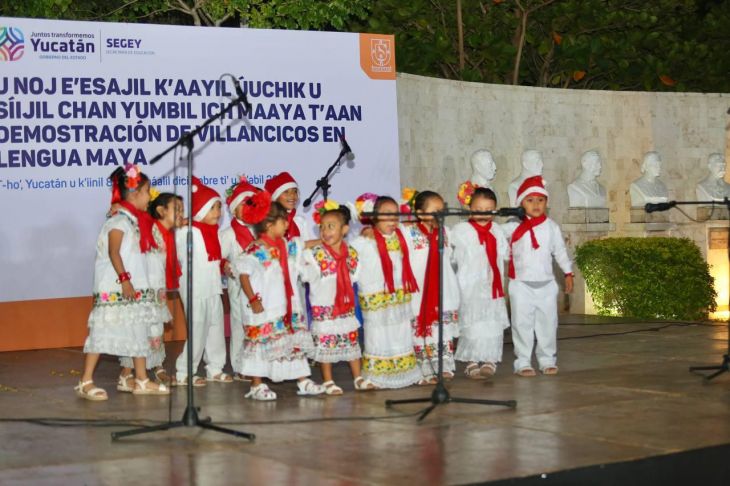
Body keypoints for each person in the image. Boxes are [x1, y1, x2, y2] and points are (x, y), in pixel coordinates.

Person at [76, 165, 170, 400]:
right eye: (147, 191)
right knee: (102, 331)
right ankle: (85, 381)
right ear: (135, 194)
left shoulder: (134, 220)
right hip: (116, 287)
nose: (150, 196)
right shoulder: (118, 221)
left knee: (138, 331)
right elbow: (113, 251)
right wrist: (125, 280)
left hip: (134, 289)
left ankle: (140, 379)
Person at [236, 196, 325, 400]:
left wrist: (324, 240)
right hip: (264, 306)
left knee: (291, 342)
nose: (287, 224)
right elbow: (243, 275)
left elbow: (304, 245)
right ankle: (256, 385)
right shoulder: (256, 250)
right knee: (261, 344)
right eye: (283, 221)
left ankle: (302, 380)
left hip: (286, 305)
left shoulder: (286, 245)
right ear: (268, 225)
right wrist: (253, 299)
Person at [300, 201, 375, 394]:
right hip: (325, 308)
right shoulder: (315, 254)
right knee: (326, 346)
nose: (325, 231)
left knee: (351, 342)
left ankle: (358, 378)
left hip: (345, 307)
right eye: (322, 227)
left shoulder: (351, 253)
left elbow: (355, 276)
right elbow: (302, 266)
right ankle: (328, 381)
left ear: (345, 229)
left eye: (331, 226)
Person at [504, 176, 573, 377]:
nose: (536, 204)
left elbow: (559, 251)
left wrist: (568, 272)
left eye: (540, 200)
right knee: (521, 324)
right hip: (521, 285)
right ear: (520, 203)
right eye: (530, 200)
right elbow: (495, 235)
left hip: (546, 284)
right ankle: (523, 361)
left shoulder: (552, 227)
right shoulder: (512, 226)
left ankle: (547, 359)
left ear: (547, 203)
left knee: (548, 324)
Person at [350, 195, 421, 389]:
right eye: (386, 214)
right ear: (374, 217)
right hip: (377, 299)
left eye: (395, 215)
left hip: (398, 296)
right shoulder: (363, 242)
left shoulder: (403, 236)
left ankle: (406, 372)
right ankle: (377, 376)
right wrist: (366, 230)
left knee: (401, 331)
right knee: (377, 334)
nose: (392, 219)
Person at [119, 191, 183, 387]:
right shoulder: (149, 227)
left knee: (155, 327)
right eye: (177, 209)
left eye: (182, 209)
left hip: (157, 288)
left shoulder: (167, 234)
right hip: (143, 287)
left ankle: (157, 367)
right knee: (139, 328)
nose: (181, 213)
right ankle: (126, 373)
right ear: (160, 210)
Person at [173, 177, 232, 386]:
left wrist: (225, 264)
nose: (217, 212)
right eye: (212, 207)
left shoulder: (214, 231)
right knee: (198, 328)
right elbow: (175, 255)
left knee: (215, 327)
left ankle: (215, 368)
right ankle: (184, 372)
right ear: (200, 210)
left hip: (213, 287)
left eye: (219, 207)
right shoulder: (187, 230)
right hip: (194, 288)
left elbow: (216, 257)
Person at [401, 190, 460, 384]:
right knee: (422, 330)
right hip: (420, 291)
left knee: (442, 330)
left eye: (442, 211)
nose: (440, 215)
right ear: (419, 213)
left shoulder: (445, 232)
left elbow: (451, 258)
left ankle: (443, 365)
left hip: (444, 288)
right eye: (435, 211)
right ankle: (424, 368)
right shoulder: (408, 232)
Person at [451, 187, 510, 379]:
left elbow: (505, 255)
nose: (484, 214)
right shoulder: (461, 231)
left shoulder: (497, 231)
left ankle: (490, 358)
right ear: (469, 208)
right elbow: (452, 258)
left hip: (492, 286)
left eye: (489, 209)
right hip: (470, 286)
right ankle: (472, 360)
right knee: (472, 323)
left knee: (491, 323)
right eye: (479, 208)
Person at [220, 178, 260, 382]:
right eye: (244, 204)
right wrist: (224, 266)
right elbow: (218, 256)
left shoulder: (261, 229)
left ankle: (259, 363)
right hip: (238, 286)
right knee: (239, 325)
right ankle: (239, 365)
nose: (249, 208)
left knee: (258, 324)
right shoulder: (228, 234)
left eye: (252, 204)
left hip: (260, 286)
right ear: (234, 210)